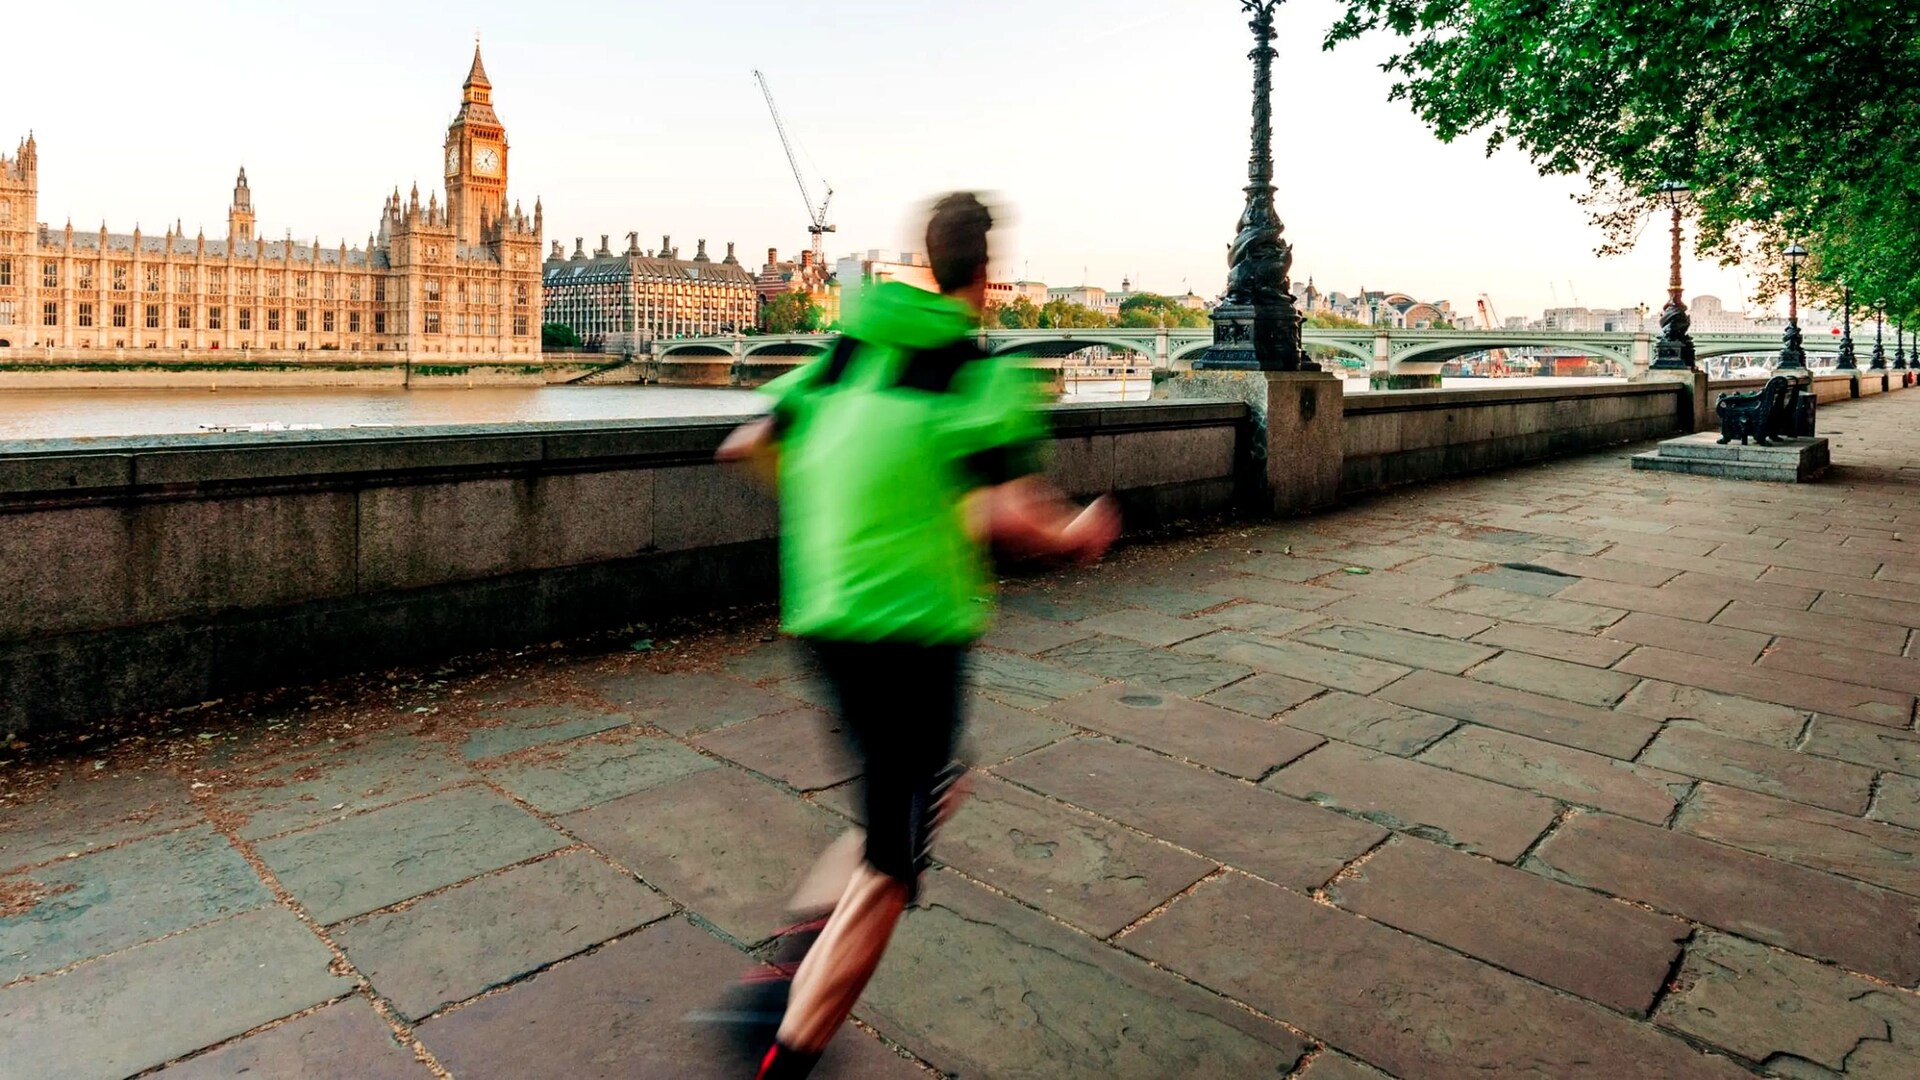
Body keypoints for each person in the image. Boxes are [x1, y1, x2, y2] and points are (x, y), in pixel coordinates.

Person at [713, 192, 1119, 1079]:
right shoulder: (969, 368)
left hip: (822, 614)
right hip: (909, 633)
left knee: (926, 785)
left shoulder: (852, 346)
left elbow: (745, 442)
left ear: (924, 261)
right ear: (987, 277)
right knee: (892, 871)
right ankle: (779, 1044)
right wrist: (1077, 532)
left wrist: (835, 511)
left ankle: (798, 943)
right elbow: (1002, 510)